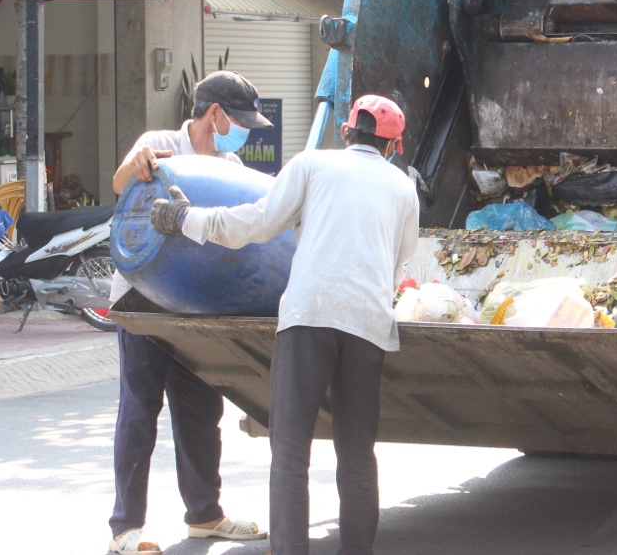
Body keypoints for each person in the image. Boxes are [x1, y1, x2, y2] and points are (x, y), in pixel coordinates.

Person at [150, 94, 420, 555]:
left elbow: (256, 224)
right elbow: (401, 263)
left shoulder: (312, 164)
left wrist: (186, 218)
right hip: (368, 326)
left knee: (291, 455)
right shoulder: (403, 188)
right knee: (356, 456)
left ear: (345, 133)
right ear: (394, 147)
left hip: (308, 317)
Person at [108, 70, 272, 555]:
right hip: (145, 301)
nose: (241, 129)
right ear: (215, 113)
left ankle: (205, 515)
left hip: (200, 302)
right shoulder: (159, 142)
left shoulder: (231, 162)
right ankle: (126, 529)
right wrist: (136, 164)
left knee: (201, 410)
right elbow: (121, 184)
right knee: (140, 409)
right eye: (237, 119)